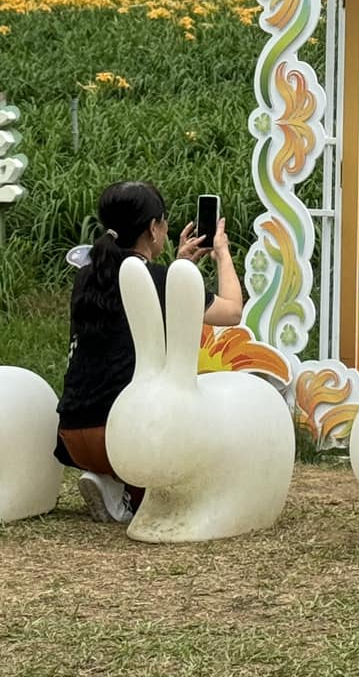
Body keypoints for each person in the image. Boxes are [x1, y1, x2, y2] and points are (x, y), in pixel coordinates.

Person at [56, 181, 245, 523]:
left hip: (73, 435)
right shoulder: (157, 279)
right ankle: (130, 491)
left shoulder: (88, 276)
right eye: (164, 222)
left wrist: (179, 268)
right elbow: (232, 312)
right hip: (122, 438)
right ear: (153, 228)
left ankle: (109, 481)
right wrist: (222, 252)